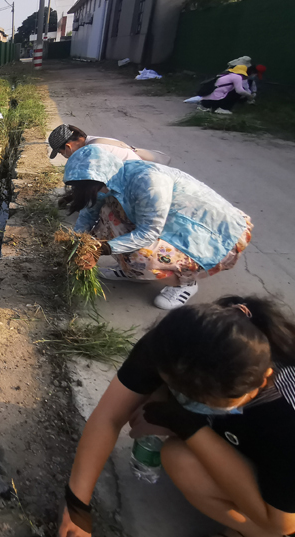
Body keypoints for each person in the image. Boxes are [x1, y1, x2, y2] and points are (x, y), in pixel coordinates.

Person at [58, 295, 295, 537]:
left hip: (286, 511)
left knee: (180, 459)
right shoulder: (175, 343)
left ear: (263, 380)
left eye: (207, 403)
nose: (191, 402)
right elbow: (109, 416)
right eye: (181, 392)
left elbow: (283, 523)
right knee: (174, 448)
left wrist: (188, 426)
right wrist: (77, 505)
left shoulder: (286, 416)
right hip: (248, 443)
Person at [64, 145, 251, 310]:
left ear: (99, 178)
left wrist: (102, 248)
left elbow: (148, 232)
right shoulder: (109, 180)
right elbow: (89, 213)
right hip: (168, 224)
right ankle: (131, 272)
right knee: (107, 213)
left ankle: (184, 283)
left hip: (214, 234)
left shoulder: (149, 182)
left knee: (140, 254)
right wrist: (78, 243)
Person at [48, 124, 171, 164]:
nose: (66, 157)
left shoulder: (93, 151)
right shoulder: (93, 140)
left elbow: (95, 184)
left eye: (62, 153)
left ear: (68, 147)